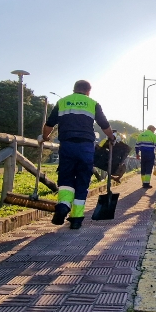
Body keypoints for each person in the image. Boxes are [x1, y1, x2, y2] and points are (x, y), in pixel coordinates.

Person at [40, 80, 115, 229]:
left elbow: (49, 124)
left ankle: (63, 206)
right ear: (88, 91)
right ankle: (76, 219)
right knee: (82, 181)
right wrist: (111, 138)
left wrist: (45, 137)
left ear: (74, 89)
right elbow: (104, 125)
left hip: (67, 146)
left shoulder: (63, 101)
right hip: (86, 147)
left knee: (66, 177)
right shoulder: (92, 103)